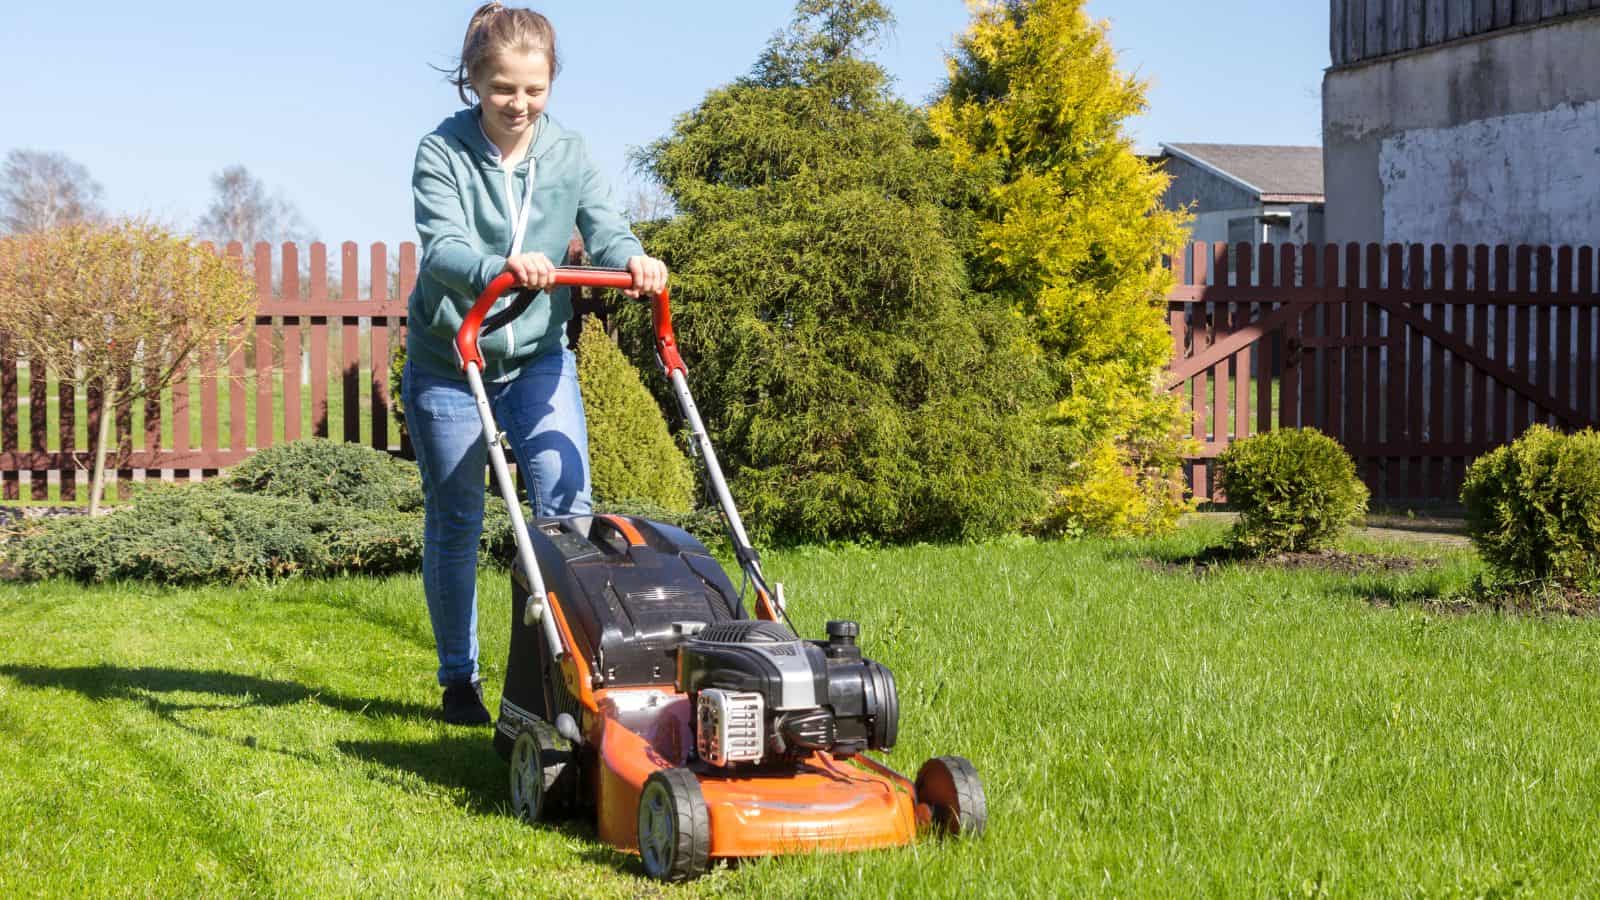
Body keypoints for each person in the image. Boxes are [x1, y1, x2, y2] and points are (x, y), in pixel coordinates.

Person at [403, 2, 668, 724]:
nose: (518, 105)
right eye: (502, 89)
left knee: (566, 510)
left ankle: (559, 672)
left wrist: (632, 258)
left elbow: (605, 226)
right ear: (473, 82)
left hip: (538, 358)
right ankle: (459, 682)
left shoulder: (569, 154)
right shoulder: (441, 153)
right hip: (451, 362)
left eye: (533, 90)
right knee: (456, 520)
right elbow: (443, 246)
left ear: (550, 85)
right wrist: (500, 264)